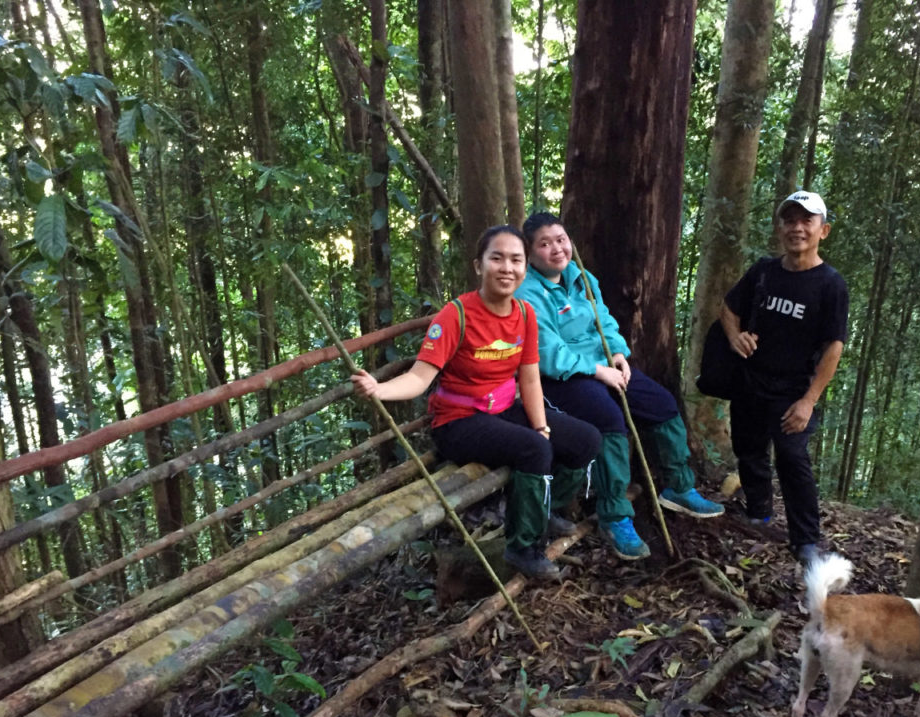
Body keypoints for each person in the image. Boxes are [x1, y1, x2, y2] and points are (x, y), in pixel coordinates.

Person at [352, 225, 600, 579]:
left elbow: (529, 378)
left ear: (524, 269)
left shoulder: (525, 314)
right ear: (478, 266)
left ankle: (544, 508)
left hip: (503, 409)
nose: (507, 267)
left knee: (585, 440)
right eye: (496, 258)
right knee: (534, 451)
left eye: (515, 260)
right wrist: (379, 389)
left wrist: (542, 425)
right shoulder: (456, 315)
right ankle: (522, 548)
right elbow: (419, 378)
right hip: (458, 421)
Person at [516, 212, 723, 561]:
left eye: (561, 239)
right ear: (530, 251)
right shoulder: (528, 292)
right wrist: (598, 371)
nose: (557, 248)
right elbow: (547, 353)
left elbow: (606, 320)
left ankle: (679, 486)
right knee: (609, 420)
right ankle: (615, 515)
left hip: (604, 366)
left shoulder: (581, 276)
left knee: (661, 404)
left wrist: (617, 354)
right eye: (545, 243)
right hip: (560, 379)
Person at [719, 190, 847, 566]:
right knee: (749, 450)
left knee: (792, 458)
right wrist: (735, 335)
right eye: (790, 220)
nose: (797, 228)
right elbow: (729, 309)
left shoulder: (830, 284)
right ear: (780, 229)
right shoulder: (763, 271)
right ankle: (758, 511)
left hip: (794, 390)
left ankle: (806, 539)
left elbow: (833, 347)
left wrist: (809, 400)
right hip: (751, 382)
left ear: (823, 231)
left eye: (806, 221)